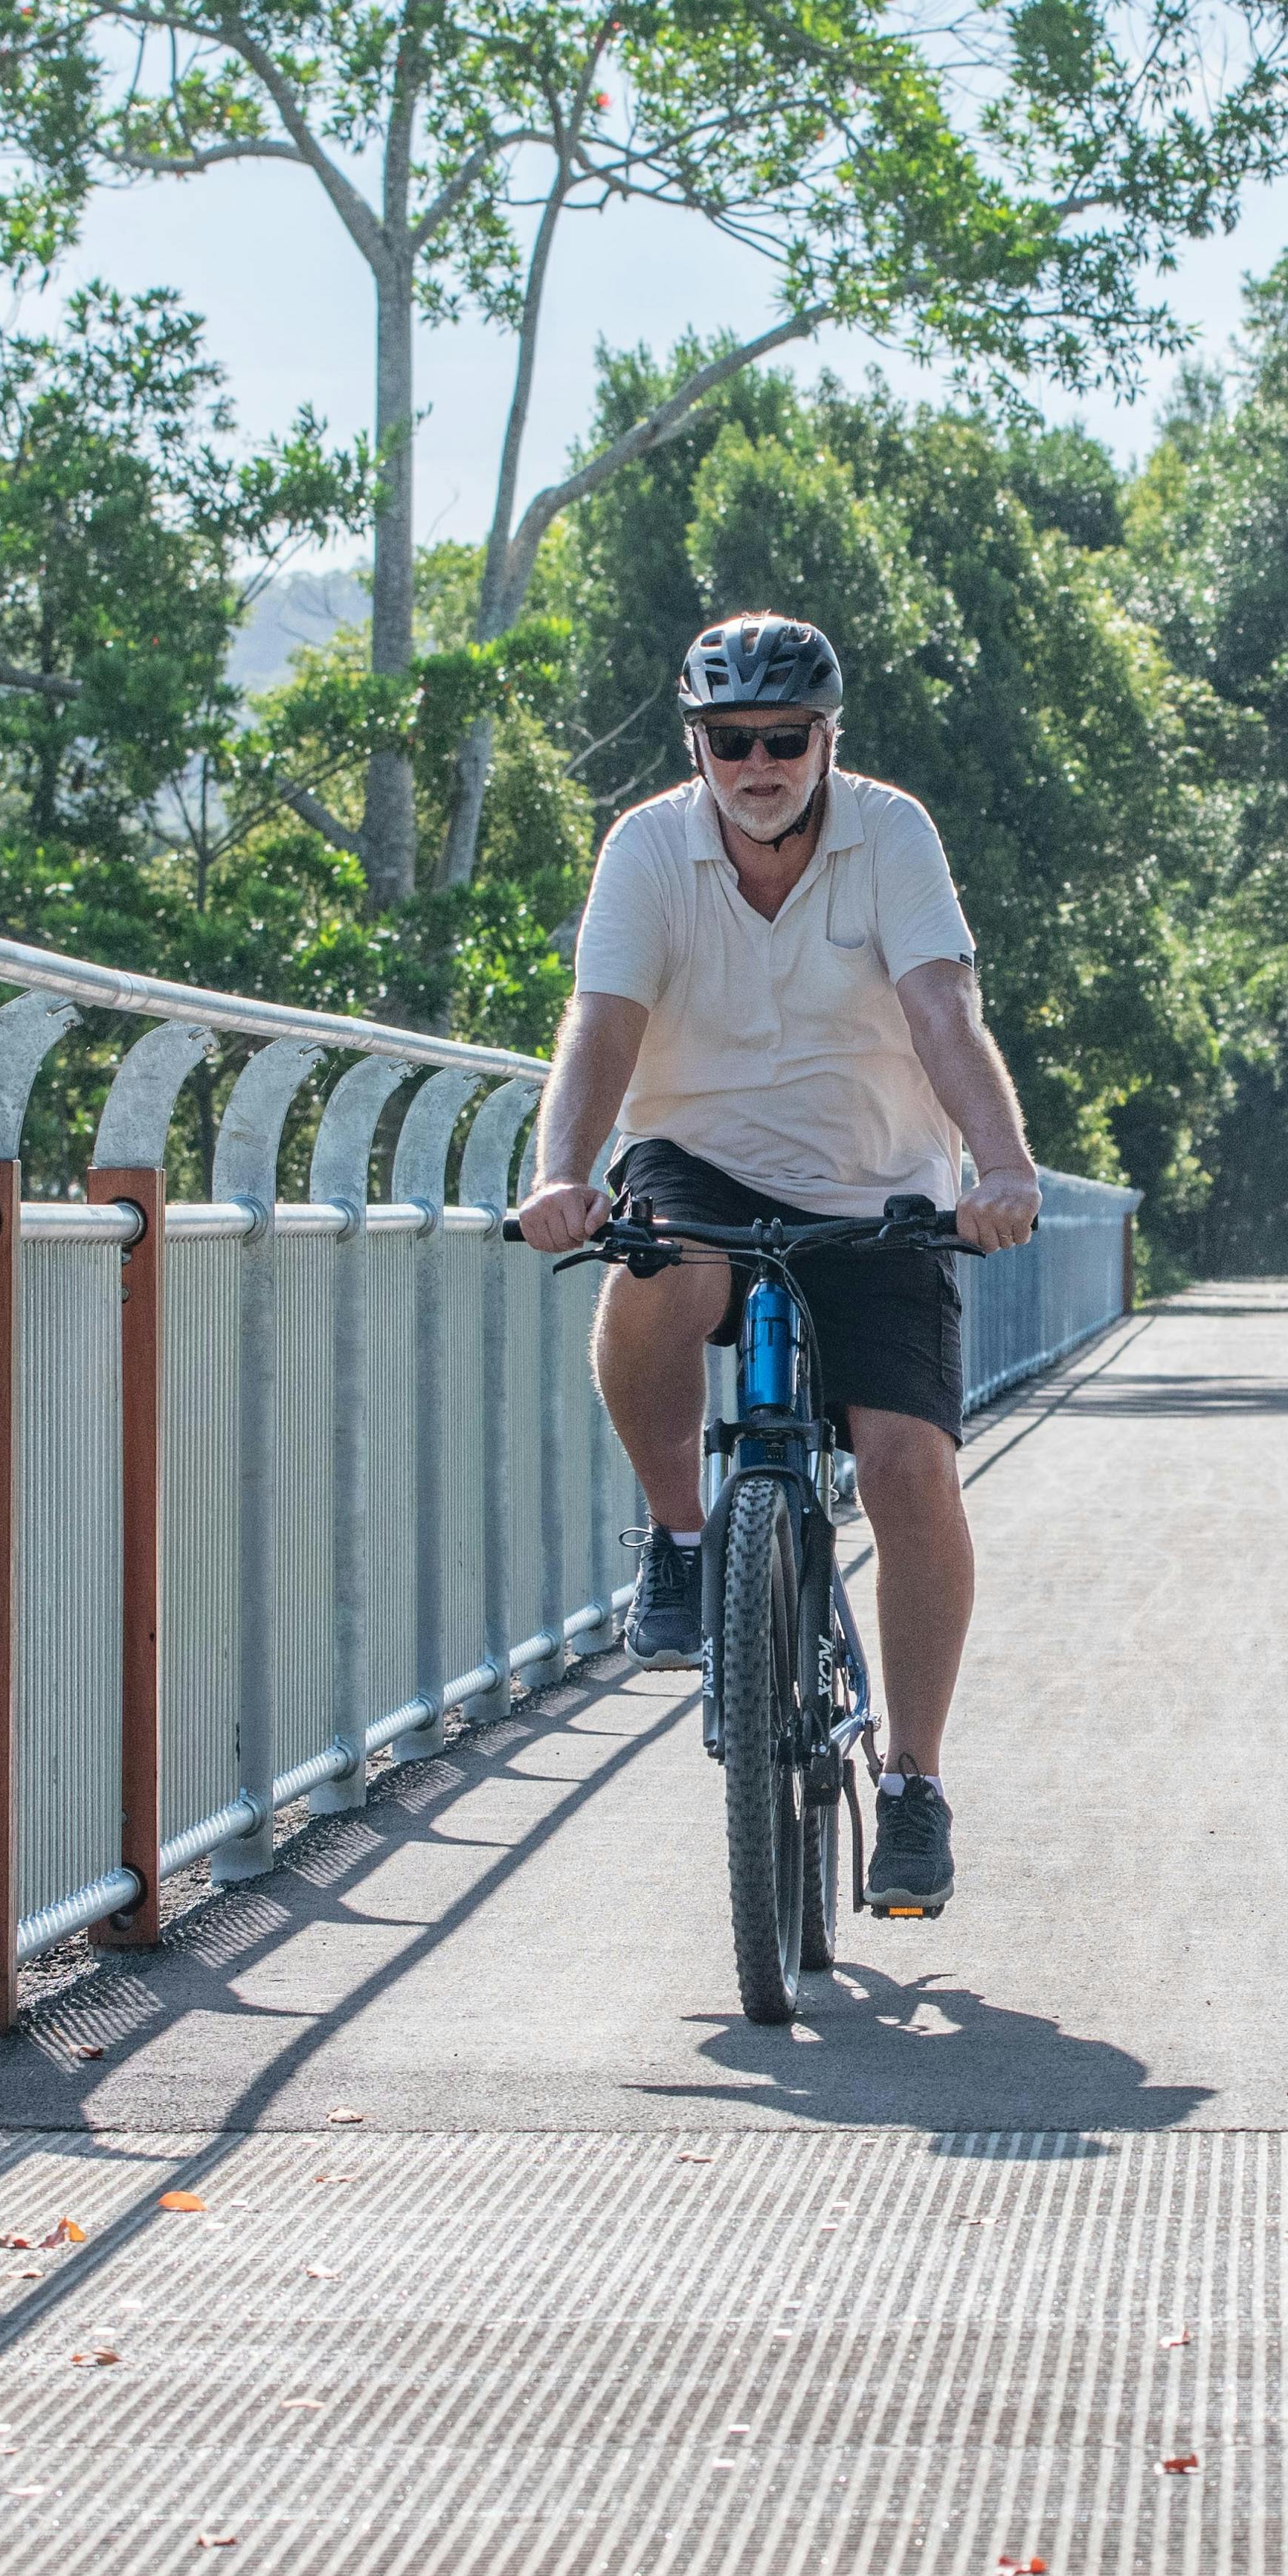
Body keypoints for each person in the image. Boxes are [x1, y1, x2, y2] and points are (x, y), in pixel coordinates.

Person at [512, 614, 1049, 1919]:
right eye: (731, 741)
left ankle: (913, 1781)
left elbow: (943, 1010)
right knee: (660, 1272)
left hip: (879, 1186)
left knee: (907, 1465)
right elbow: (603, 1023)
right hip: (699, 1155)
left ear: (827, 739)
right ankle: (686, 1538)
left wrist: (1003, 1168)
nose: (760, 764)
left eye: (785, 739)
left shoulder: (891, 833)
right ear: (697, 746)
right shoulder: (647, 847)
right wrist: (560, 1174)